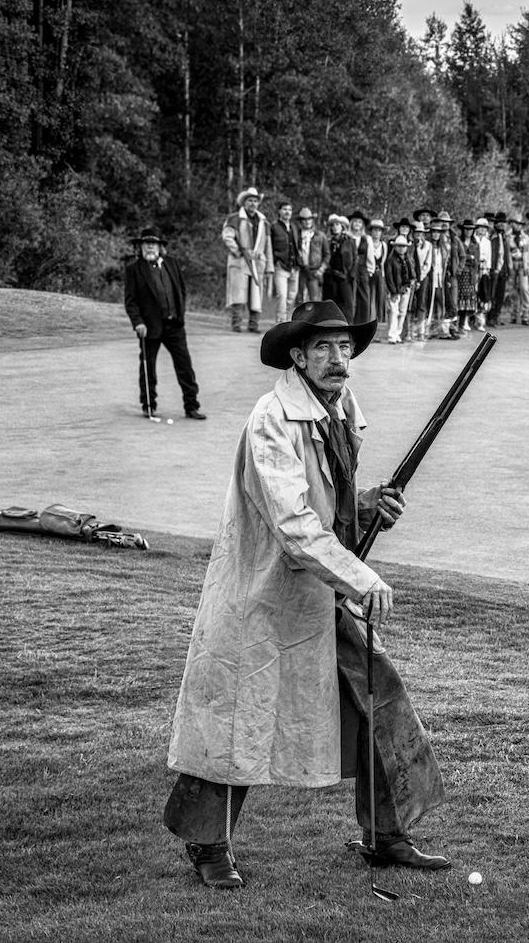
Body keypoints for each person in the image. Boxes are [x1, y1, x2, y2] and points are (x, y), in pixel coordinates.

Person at [163, 301, 450, 889]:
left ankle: (385, 835)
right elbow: (293, 528)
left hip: (321, 592)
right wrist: (362, 579)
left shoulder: (339, 407)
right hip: (262, 594)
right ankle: (207, 846)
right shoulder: (272, 418)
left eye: (344, 347)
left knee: (380, 696)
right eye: (323, 348)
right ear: (298, 356)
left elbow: (330, 500)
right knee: (235, 717)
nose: (337, 359)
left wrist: (365, 502)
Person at [124, 231, 204, 421]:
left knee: (185, 366)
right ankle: (149, 405)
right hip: (149, 327)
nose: (150, 247)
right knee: (148, 368)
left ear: (160, 247)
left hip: (174, 324)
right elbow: (130, 301)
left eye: (153, 243)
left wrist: (180, 313)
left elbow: (181, 290)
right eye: (146, 244)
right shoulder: (134, 269)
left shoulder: (172, 263)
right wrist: (138, 323)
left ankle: (191, 406)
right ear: (140, 247)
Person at [222, 187, 272, 333]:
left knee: (256, 295)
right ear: (244, 202)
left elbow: (268, 245)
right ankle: (236, 323)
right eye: (250, 200)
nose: (253, 204)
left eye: (255, 201)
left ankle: (253, 324)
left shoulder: (264, 222)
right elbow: (227, 236)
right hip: (240, 261)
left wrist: (269, 266)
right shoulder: (234, 218)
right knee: (238, 293)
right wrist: (238, 251)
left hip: (257, 262)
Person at [382, 228, 417, 344]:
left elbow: (412, 274)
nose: (401, 248)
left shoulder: (408, 260)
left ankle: (398, 333)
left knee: (402, 312)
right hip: (395, 290)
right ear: (395, 247)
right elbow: (389, 278)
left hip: (405, 289)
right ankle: (391, 335)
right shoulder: (390, 260)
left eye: (403, 246)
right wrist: (393, 291)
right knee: (393, 312)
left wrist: (411, 282)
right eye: (399, 246)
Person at [268, 200, 296, 322]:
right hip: (280, 266)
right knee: (282, 296)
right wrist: (274, 262)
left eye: (289, 210)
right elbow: (269, 247)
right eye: (284, 209)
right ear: (279, 211)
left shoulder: (294, 227)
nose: (287, 212)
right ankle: (280, 322)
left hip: (295, 267)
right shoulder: (273, 227)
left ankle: (288, 320)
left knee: (291, 297)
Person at [293, 207, 326, 307]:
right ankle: (299, 320)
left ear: (312, 220)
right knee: (299, 298)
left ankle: (314, 321)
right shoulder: (296, 235)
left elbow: (327, 254)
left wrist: (321, 269)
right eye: (304, 219)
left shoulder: (320, 235)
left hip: (314, 270)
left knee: (314, 299)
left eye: (309, 219)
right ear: (300, 221)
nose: (307, 222)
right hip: (300, 269)